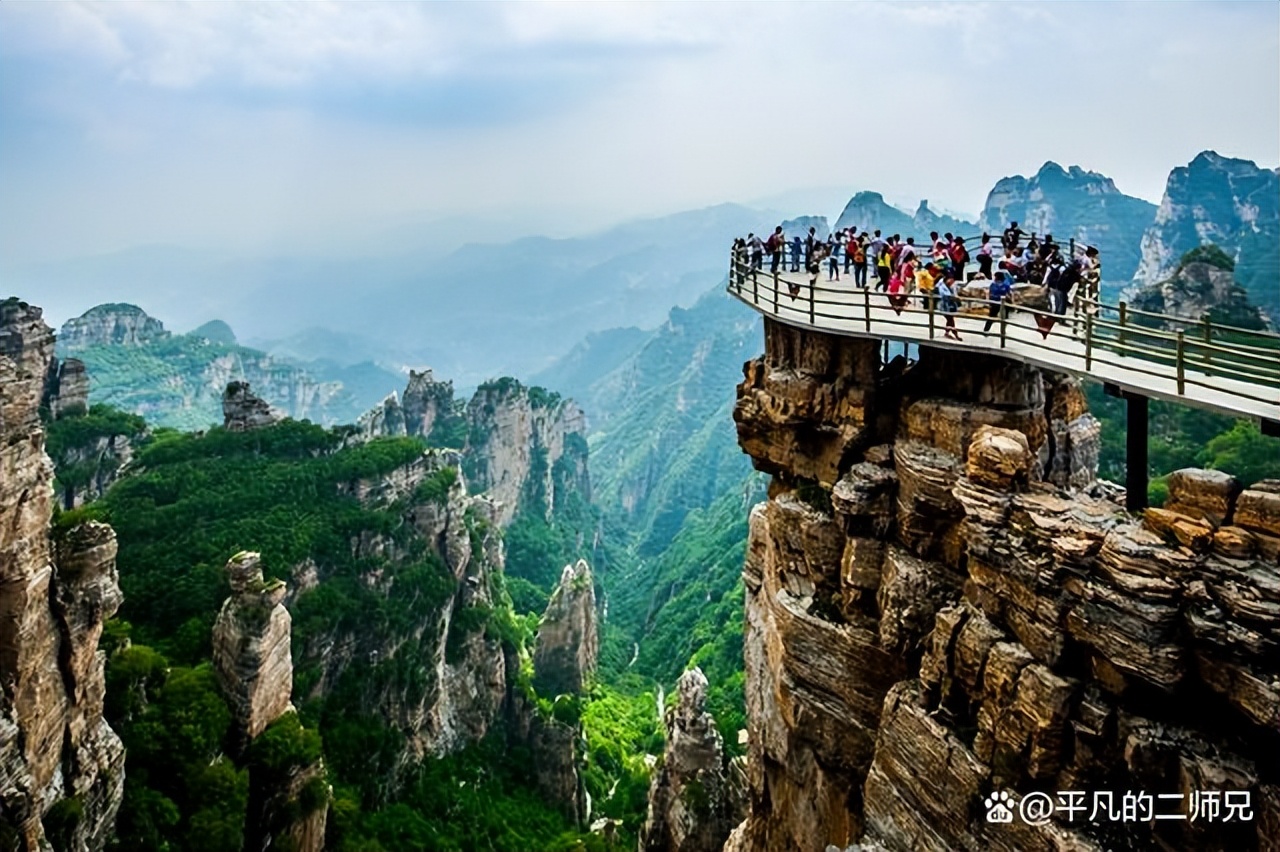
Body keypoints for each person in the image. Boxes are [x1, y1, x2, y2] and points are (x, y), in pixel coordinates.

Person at [938, 275, 962, 340]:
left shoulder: (951, 287)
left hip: (951, 306)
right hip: (944, 306)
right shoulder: (942, 286)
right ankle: (955, 334)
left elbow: (955, 294)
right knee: (951, 320)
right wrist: (954, 297)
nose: (951, 282)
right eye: (950, 280)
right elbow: (945, 295)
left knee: (950, 319)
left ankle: (947, 333)